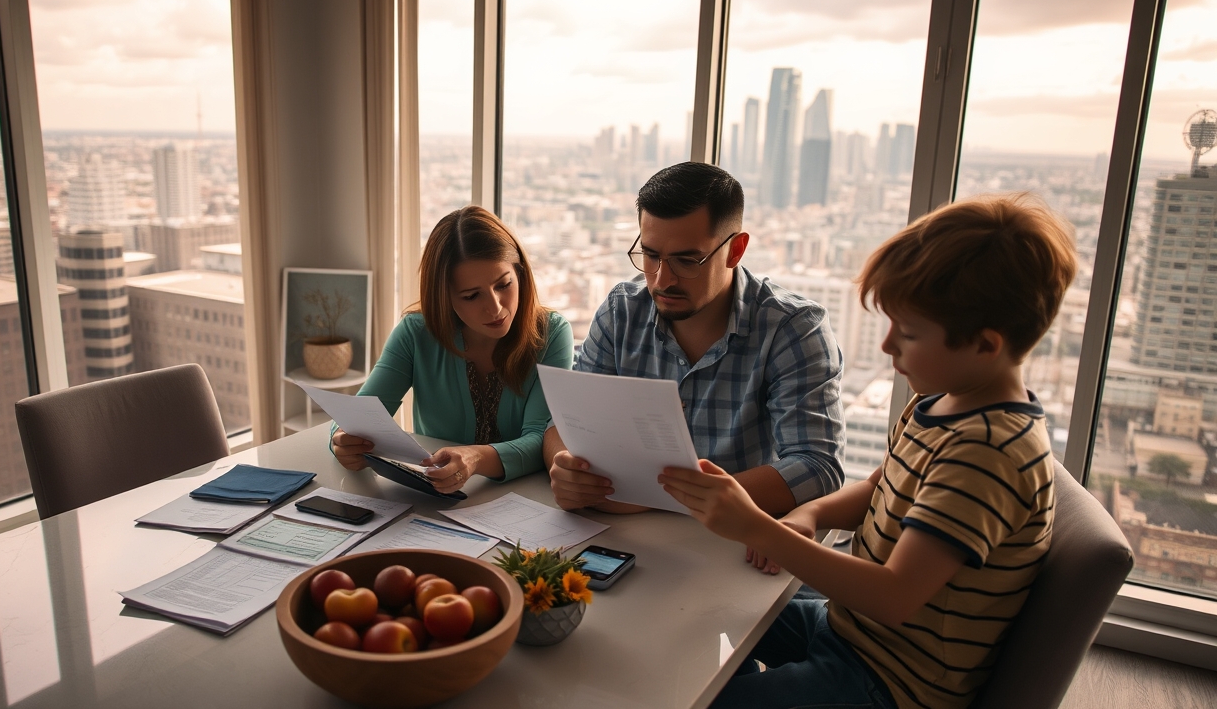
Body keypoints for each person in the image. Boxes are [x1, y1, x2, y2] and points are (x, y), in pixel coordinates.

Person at [659, 193, 1076, 709]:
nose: (887, 345)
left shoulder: (986, 453)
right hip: (851, 629)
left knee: (694, 699)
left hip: (890, 682)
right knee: (698, 606)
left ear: (986, 345)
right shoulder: (943, 402)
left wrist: (755, 526)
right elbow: (882, 487)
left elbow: (894, 597)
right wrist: (810, 513)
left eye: (910, 331)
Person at [543, 162, 845, 525]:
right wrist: (564, 468)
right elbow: (566, 423)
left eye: (687, 260)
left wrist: (659, 495)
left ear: (735, 250)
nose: (661, 279)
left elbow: (817, 466)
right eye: (651, 255)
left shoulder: (793, 328)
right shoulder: (620, 310)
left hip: (729, 541)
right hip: (623, 530)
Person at [331, 206, 573, 492]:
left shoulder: (552, 334)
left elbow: (540, 440)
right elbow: (356, 419)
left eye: (504, 284)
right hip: (433, 501)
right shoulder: (415, 333)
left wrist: (475, 458)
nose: (495, 307)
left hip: (526, 503)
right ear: (444, 297)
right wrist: (342, 441)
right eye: (471, 296)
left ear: (519, 273)